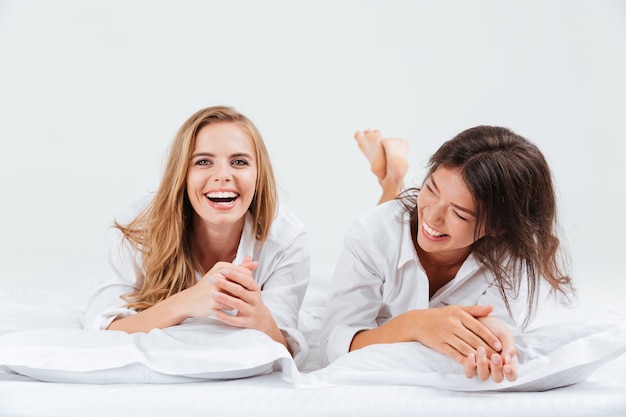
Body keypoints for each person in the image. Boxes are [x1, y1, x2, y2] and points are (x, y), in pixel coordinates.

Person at [321, 126, 574, 383]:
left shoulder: (514, 255)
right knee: (387, 221)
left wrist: (492, 336)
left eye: (459, 213)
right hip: (386, 228)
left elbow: (491, 336)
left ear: (498, 227)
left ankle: (393, 179)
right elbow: (334, 345)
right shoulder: (372, 232)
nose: (432, 216)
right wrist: (415, 324)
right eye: (431, 188)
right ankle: (392, 183)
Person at [85, 105, 310, 363]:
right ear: (182, 175)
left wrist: (262, 320)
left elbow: (287, 352)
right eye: (203, 162)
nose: (223, 176)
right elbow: (102, 332)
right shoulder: (139, 229)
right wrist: (186, 303)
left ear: (258, 176)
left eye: (239, 162)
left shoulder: (286, 239)